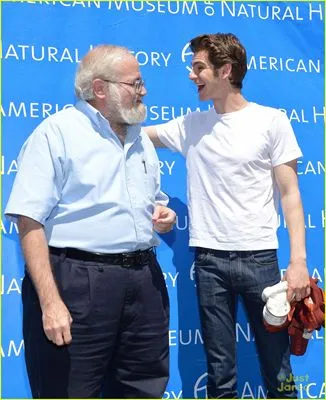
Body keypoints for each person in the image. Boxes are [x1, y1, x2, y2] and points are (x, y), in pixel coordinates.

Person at [5, 44, 176, 399]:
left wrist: (163, 215)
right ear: (100, 89)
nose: (143, 91)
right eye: (135, 83)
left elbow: (150, 200)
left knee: (143, 389)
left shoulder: (140, 138)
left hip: (144, 283)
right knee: (68, 390)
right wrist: (51, 303)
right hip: (78, 284)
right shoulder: (56, 134)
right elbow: (29, 219)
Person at [145, 33, 310, 398]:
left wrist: (297, 262)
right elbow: (140, 136)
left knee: (279, 372)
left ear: (226, 70)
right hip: (209, 264)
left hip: (261, 262)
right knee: (220, 376)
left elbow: (291, 195)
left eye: (199, 67)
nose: (192, 75)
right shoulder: (190, 125)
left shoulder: (272, 122)